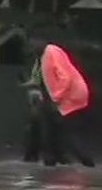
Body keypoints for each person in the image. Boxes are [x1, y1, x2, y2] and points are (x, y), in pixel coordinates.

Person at [23, 37, 95, 167]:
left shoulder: (51, 52)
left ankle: (85, 161)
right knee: (54, 130)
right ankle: (55, 159)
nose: (31, 49)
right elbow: (42, 77)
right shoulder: (42, 57)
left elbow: (65, 78)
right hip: (60, 98)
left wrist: (56, 97)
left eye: (32, 46)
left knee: (65, 133)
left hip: (68, 98)